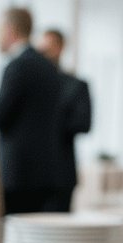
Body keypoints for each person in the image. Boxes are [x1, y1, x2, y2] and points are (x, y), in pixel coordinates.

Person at [0, 7, 63, 216]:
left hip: (18, 173)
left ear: (10, 30)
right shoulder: (50, 67)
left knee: (15, 238)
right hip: (47, 171)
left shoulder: (17, 67)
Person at [39, 29, 92, 212]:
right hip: (29, 174)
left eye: (48, 45)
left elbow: (84, 124)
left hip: (60, 172)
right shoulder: (29, 85)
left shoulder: (75, 85)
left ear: (60, 48)